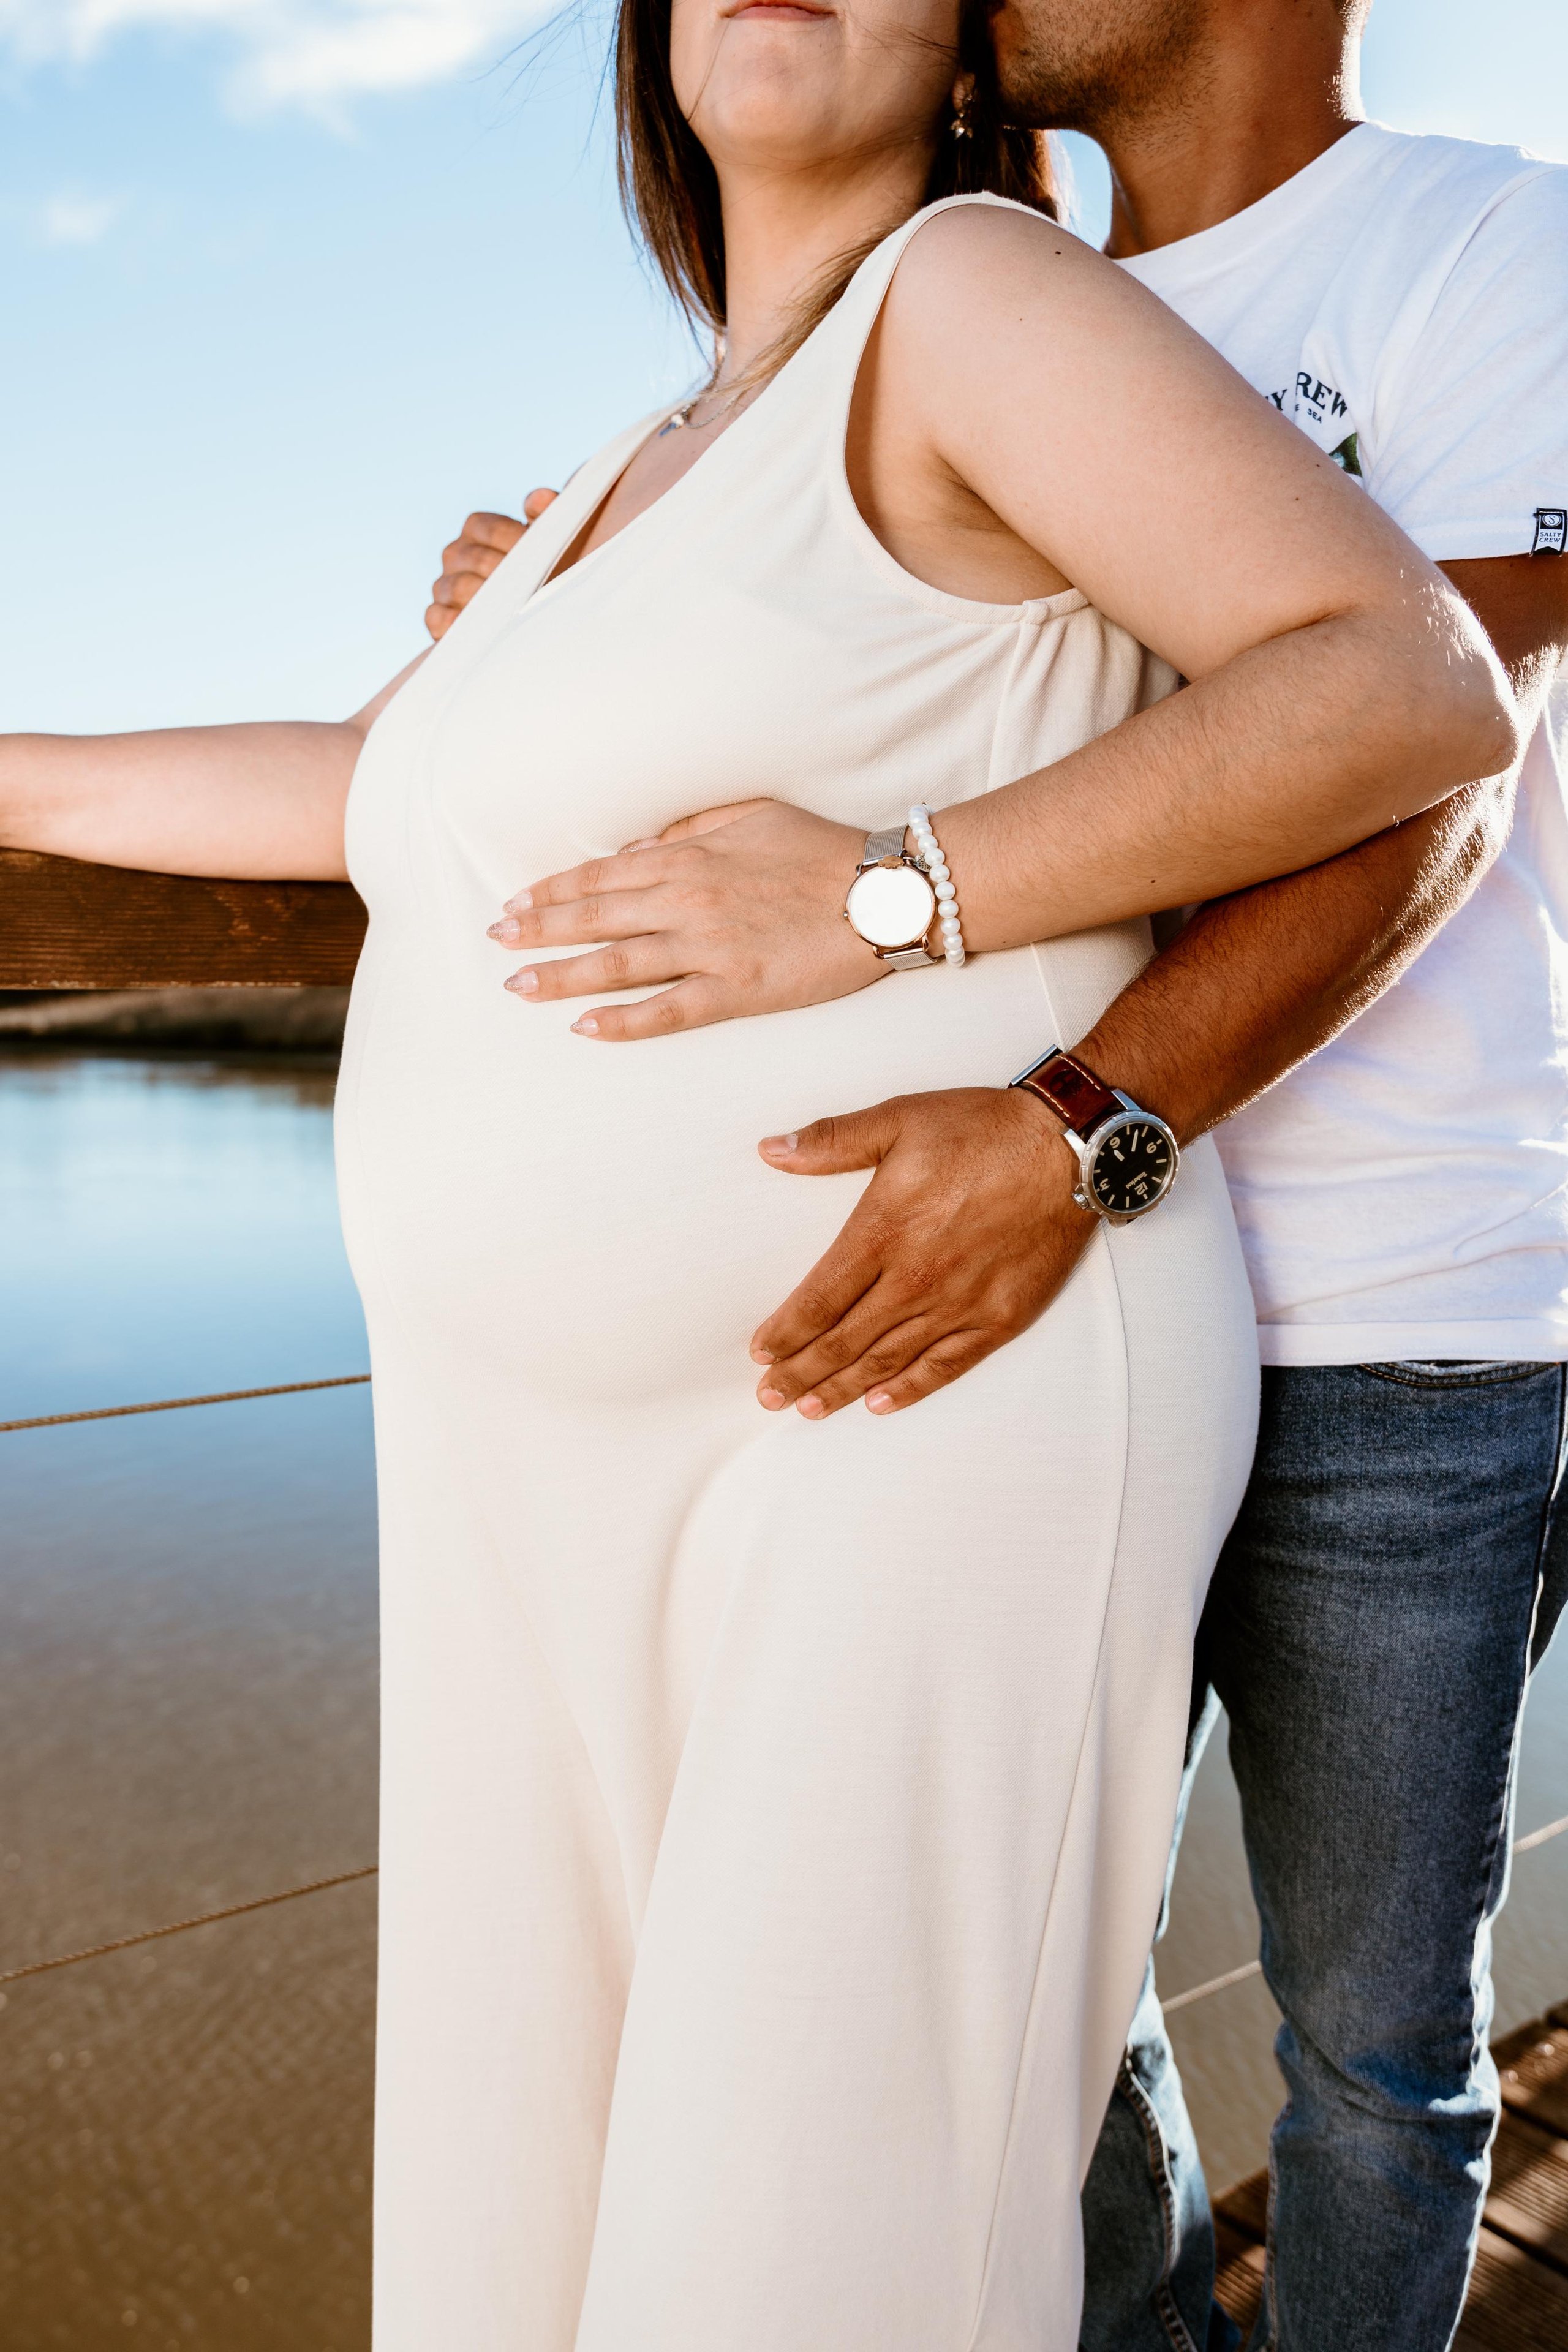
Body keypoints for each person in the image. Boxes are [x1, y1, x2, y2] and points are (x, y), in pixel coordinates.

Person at [0, 0, 1517, 2344]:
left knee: (811, 2246)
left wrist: (899, 892)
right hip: (543, 1485)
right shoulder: (625, 467)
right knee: (559, 2223)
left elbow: (1411, 693)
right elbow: (353, 795)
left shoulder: (979, 293)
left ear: (967, 53)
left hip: (896, 1410)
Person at [428, 2, 1568, 2346]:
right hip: (1038, 1331)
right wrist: (574, 608)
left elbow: (1432, 757)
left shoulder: (1488, 248)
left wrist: (1077, 1122)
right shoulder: (989, 314)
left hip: (1405, 1324)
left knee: (1374, 2046)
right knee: (1029, 1998)